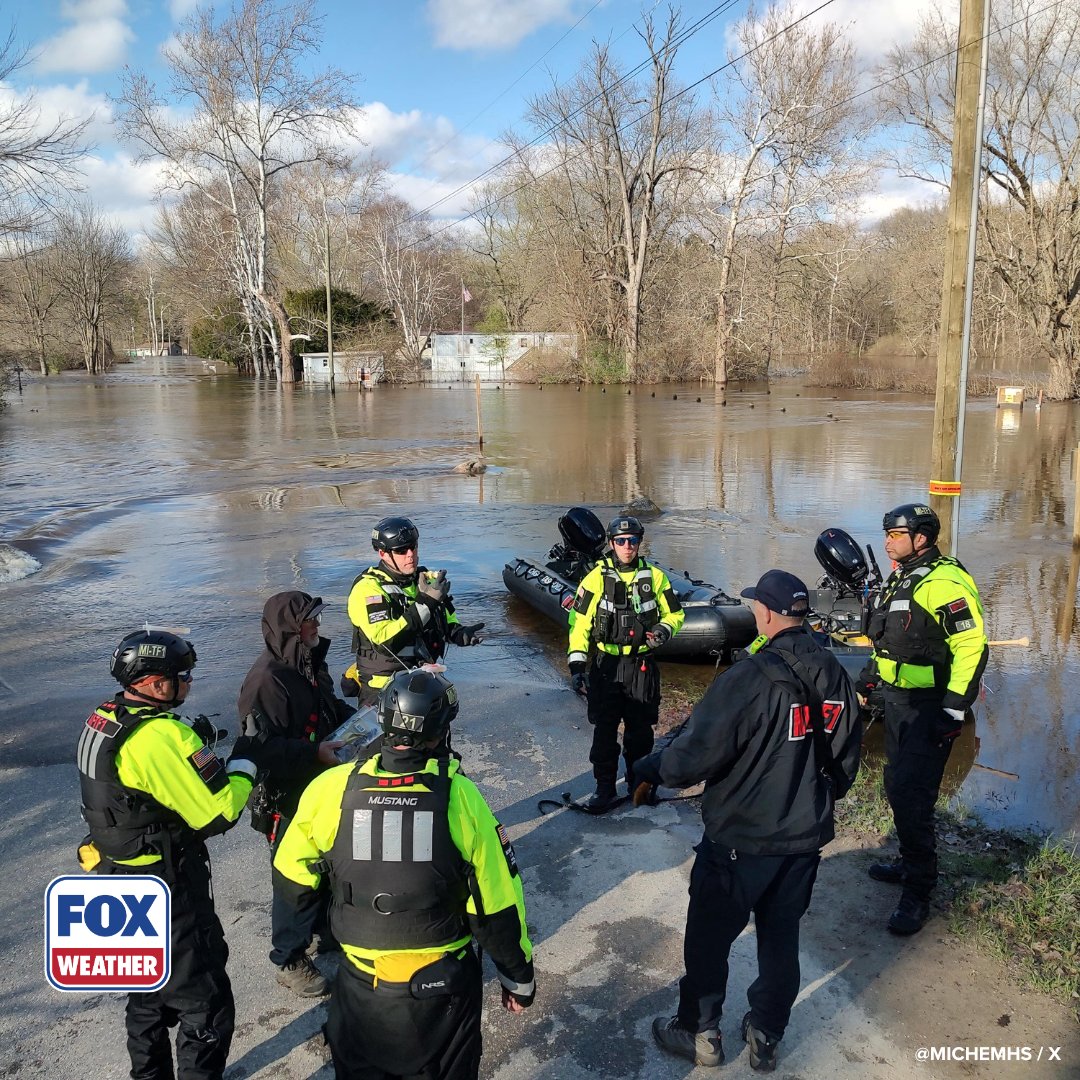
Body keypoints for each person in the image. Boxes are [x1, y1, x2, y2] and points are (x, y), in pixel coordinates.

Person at [634, 570, 860, 1071]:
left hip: (740, 839)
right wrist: (810, 801)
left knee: (709, 938)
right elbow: (846, 761)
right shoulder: (835, 672)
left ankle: (699, 1032)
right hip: (802, 841)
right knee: (780, 938)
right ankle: (766, 1033)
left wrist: (651, 768)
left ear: (765, 613)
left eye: (757, 605)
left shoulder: (749, 678)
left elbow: (694, 755)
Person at [272, 669, 535, 1080]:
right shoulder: (460, 795)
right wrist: (517, 976)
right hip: (442, 986)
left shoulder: (331, 788)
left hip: (361, 982)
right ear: (441, 732)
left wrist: (289, 950)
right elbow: (495, 897)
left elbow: (292, 876)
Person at [76, 629, 261, 1080]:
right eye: (183, 676)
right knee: (205, 1003)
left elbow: (130, 788)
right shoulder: (161, 736)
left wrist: (190, 740)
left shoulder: (104, 717)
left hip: (117, 878)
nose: (189, 682)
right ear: (156, 683)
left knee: (146, 994)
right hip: (167, 888)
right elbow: (220, 812)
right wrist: (246, 760)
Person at [858, 503, 988, 935]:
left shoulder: (943, 582)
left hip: (929, 706)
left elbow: (972, 646)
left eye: (895, 534)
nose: (887, 541)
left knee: (914, 796)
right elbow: (890, 639)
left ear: (922, 537)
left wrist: (953, 709)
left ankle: (918, 891)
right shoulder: (903, 576)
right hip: (898, 701)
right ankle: (907, 860)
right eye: (886, 533)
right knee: (898, 785)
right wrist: (868, 679)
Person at [236, 590, 357, 997]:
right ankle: (288, 960)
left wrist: (364, 722)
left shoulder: (309, 663)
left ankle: (327, 930)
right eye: (310, 620)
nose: (317, 625)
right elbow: (257, 748)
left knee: (329, 863)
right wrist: (313, 752)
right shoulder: (267, 680)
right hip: (286, 796)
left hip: (319, 785)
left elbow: (329, 708)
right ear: (290, 627)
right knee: (294, 877)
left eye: (317, 618)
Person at [566, 514, 685, 812]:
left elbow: (675, 615)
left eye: (633, 540)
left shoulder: (655, 577)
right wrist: (577, 667)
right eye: (621, 541)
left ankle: (638, 785)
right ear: (611, 543)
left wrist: (663, 630)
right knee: (604, 732)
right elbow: (579, 624)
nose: (627, 547)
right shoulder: (595, 578)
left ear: (640, 542)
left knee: (641, 732)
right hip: (606, 665)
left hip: (641, 666)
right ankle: (604, 789)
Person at [344, 516, 485, 705]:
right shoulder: (368, 589)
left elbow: (445, 617)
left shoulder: (425, 579)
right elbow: (386, 642)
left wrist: (457, 632)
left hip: (424, 679)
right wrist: (426, 603)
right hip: (385, 688)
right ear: (383, 553)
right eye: (401, 550)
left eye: (413, 547)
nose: (410, 554)